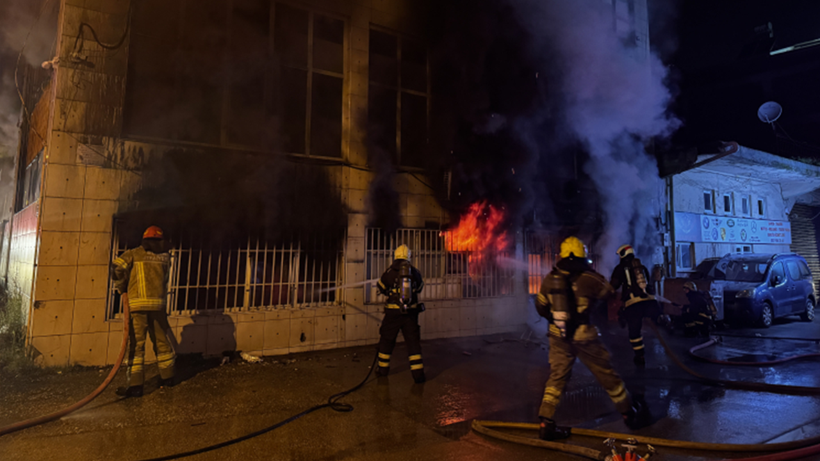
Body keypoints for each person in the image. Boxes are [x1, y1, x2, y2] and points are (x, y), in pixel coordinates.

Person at [535, 237, 651, 441]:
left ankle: (546, 422)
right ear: (582, 255)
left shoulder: (550, 278)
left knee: (557, 378)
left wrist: (557, 322)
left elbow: (541, 306)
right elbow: (608, 292)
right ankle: (629, 414)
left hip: (558, 336)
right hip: (584, 337)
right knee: (607, 375)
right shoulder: (589, 278)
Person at [112, 226, 175, 397]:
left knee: (137, 344)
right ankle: (168, 377)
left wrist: (122, 286)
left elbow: (116, 268)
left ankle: (136, 385)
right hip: (158, 306)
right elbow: (165, 279)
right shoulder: (165, 257)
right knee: (162, 341)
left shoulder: (134, 254)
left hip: (138, 305)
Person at [376, 244, 426, 383]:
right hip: (411, 314)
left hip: (392, 314)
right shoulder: (414, 272)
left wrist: (391, 291)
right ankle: (418, 375)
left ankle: (382, 370)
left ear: (395, 255)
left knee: (387, 340)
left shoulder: (389, 272)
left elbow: (381, 287)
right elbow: (420, 287)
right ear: (409, 256)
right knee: (413, 343)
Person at [610, 244, 662, 367]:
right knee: (657, 322)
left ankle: (640, 356)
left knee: (634, 333)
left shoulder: (620, 268)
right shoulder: (642, 267)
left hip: (634, 304)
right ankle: (663, 319)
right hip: (650, 302)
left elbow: (613, 286)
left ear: (623, 254)